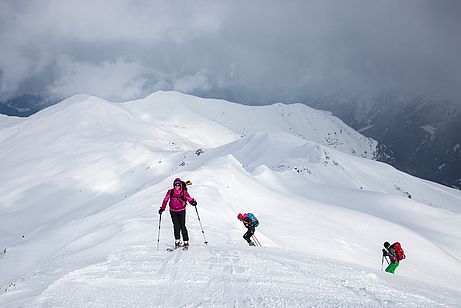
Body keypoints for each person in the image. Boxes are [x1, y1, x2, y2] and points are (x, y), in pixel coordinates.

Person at [159, 178, 197, 249]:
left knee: (182, 226)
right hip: (173, 211)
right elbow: (165, 200)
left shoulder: (184, 192)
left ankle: (186, 242)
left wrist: (193, 202)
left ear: (180, 185)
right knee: (176, 226)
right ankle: (177, 241)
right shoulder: (170, 192)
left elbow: (189, 199)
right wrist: (162, 209)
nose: (177, 186)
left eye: (178, 185)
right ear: (173, 185)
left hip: (181, 211)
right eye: (175, 185)